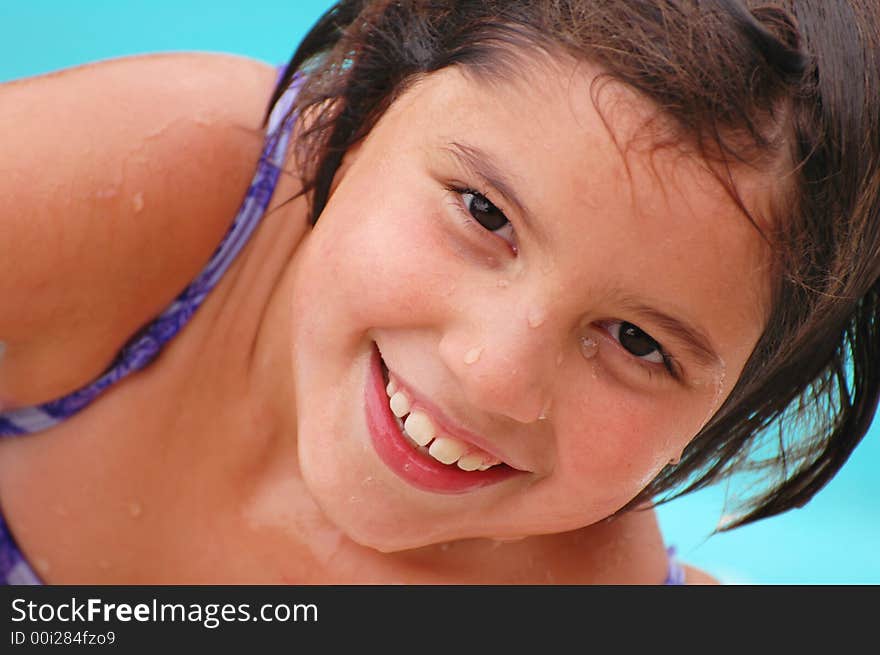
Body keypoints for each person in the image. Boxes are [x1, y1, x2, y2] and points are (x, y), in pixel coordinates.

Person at [0, 0, 877, 585]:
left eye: (638, 341)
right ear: (368, 96)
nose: (494, 375)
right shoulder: (148, 187)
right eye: (483, 212)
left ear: (736, 409)